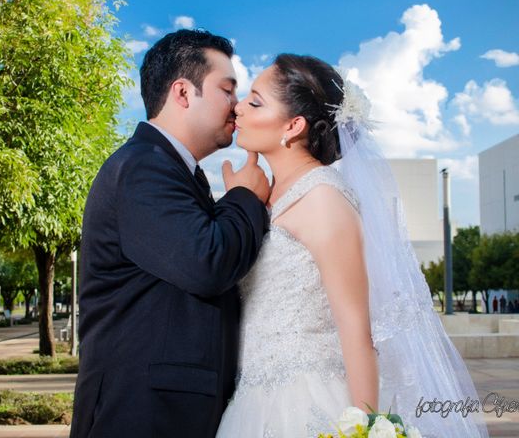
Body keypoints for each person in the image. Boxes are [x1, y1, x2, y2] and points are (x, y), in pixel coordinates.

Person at [216, 54, 488, 437]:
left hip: (306, 402)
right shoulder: (267, 194)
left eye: (255, 102)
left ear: (293, 126)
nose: (238, 107)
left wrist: (365, 427)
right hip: (251, 399)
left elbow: (356, 329)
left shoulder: (323, 199)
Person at [70, 29, 270, 438]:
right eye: (227, 89)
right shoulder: (143, 167)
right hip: (141, 416)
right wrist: (246, 198)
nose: (237, 106)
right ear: (182, 92)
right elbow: (206, 262)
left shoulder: (174, 170)